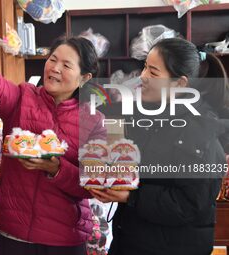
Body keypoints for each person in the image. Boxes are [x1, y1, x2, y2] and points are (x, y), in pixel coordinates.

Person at [0, 31, 106, 255]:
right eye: (52, 59)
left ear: (85, 78)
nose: (55, 68)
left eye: (66, 65)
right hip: (15, 232)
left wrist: (56, 169)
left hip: (65, 237)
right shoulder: (22, 98)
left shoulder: (95, 122)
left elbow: (95, 184)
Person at [91, 38, 229, 255]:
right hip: (132, 238)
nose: (143, 76)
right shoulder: (146, 117)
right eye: (145, 66)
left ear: (180, 83)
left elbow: (191, 204)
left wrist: (131, 196)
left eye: (154, 73)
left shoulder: (200, 128)